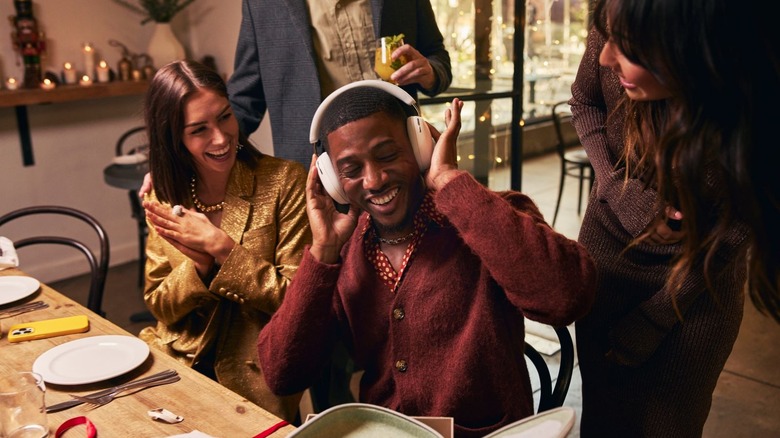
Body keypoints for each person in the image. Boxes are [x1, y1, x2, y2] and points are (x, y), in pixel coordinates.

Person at [257, 81, 597, 437]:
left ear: (421, 146)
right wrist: (323, 251)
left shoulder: (492, 214)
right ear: (332, 180)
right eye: (352, 169)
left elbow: (568, 297)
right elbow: (282, 373)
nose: (373, 180)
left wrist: (449, 180)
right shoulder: (341, 253)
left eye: (387, 155)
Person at [568, 5, 755, 437]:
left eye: (630, 48)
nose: (606, 59)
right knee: (603, 418)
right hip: (609, 262)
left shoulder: (751, 83)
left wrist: (658, 315)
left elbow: (742, 222)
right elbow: (585, 100)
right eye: (605, 37)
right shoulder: (618, 19)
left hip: (700, 282)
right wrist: (616, 187)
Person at [138, 60, 311, 422]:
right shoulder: (162, 196)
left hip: (256, 381)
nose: (221, 137)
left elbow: (297, 302)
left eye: (225, 116)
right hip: (175, 372)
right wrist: (198, 269)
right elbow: (159, 304)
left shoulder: (284, 182)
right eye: (199, 129)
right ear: (175, 139)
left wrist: (222, 249)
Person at [227, 0, 453, 166]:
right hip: (319, 170)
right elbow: (245, 101)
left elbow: (436, 56)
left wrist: (430, 72)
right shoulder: (260, 5)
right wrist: (201, 150)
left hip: (404, 153)